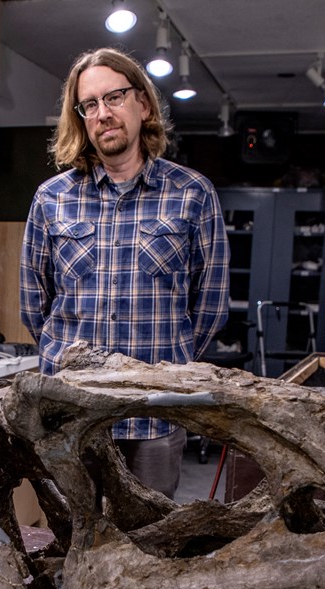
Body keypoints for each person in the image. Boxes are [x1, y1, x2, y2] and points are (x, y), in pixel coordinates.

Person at [19, 47, 230, 499]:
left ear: (143, 104)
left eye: (113, 97)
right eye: (89, 104)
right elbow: (35, 306)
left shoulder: (192, 194)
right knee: (73, 537)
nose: (103, 113)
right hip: (73, 413)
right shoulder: (51, 199)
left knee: (149, 542)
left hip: (154, 414)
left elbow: (210, 307)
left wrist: (168, 369)